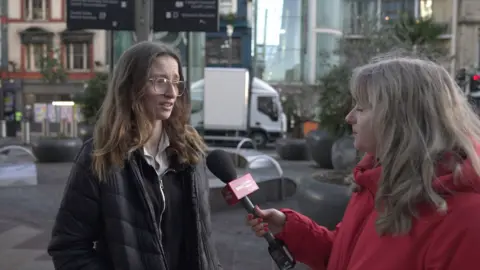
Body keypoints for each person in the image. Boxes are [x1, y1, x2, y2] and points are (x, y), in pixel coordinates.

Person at [247, 57, 480, 270]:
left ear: (400, 119)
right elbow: (343, 255)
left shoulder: (468, 220)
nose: (349, 118)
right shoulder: (375, 183)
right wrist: (289, 227)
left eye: (361, 107)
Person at [48, 41, 222, 270]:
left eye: (176, 81)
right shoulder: (100, 156)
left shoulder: (190, 152)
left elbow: (204, 244)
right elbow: (68, 248)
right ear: (131, 87)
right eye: (160, 81)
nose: (171, 93)